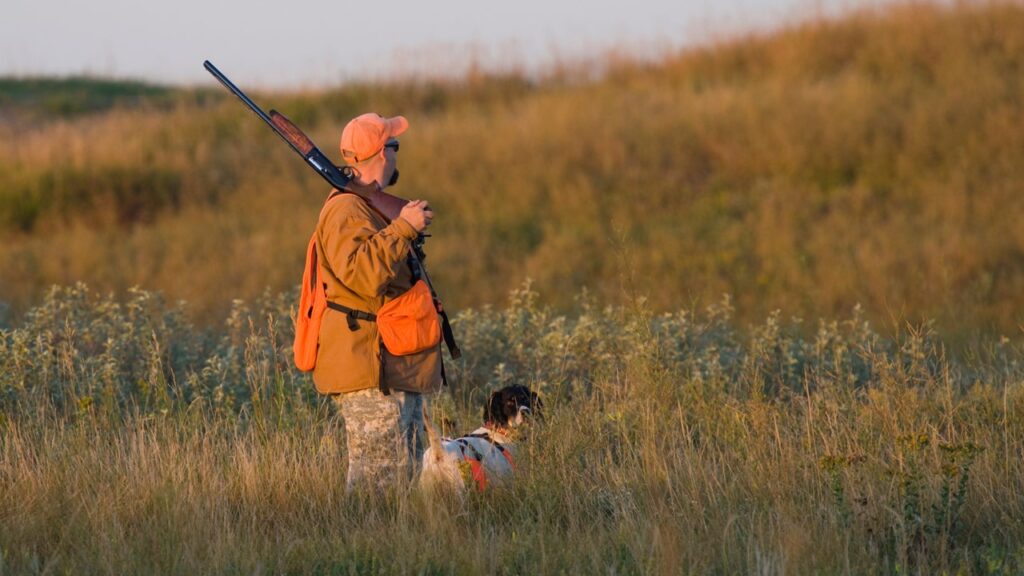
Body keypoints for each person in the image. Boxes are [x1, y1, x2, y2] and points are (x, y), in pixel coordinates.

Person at [311, 112, 443, 493]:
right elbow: (363, 276)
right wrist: (404, 228)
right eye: (395, 146)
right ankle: (359, 553)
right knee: (377, 485)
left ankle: (389, 550)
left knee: (401, 480)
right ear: (383, 154)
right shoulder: (346, 210)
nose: (397, 155)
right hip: (371, 366)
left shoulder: (368, 206)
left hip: (391, 363)